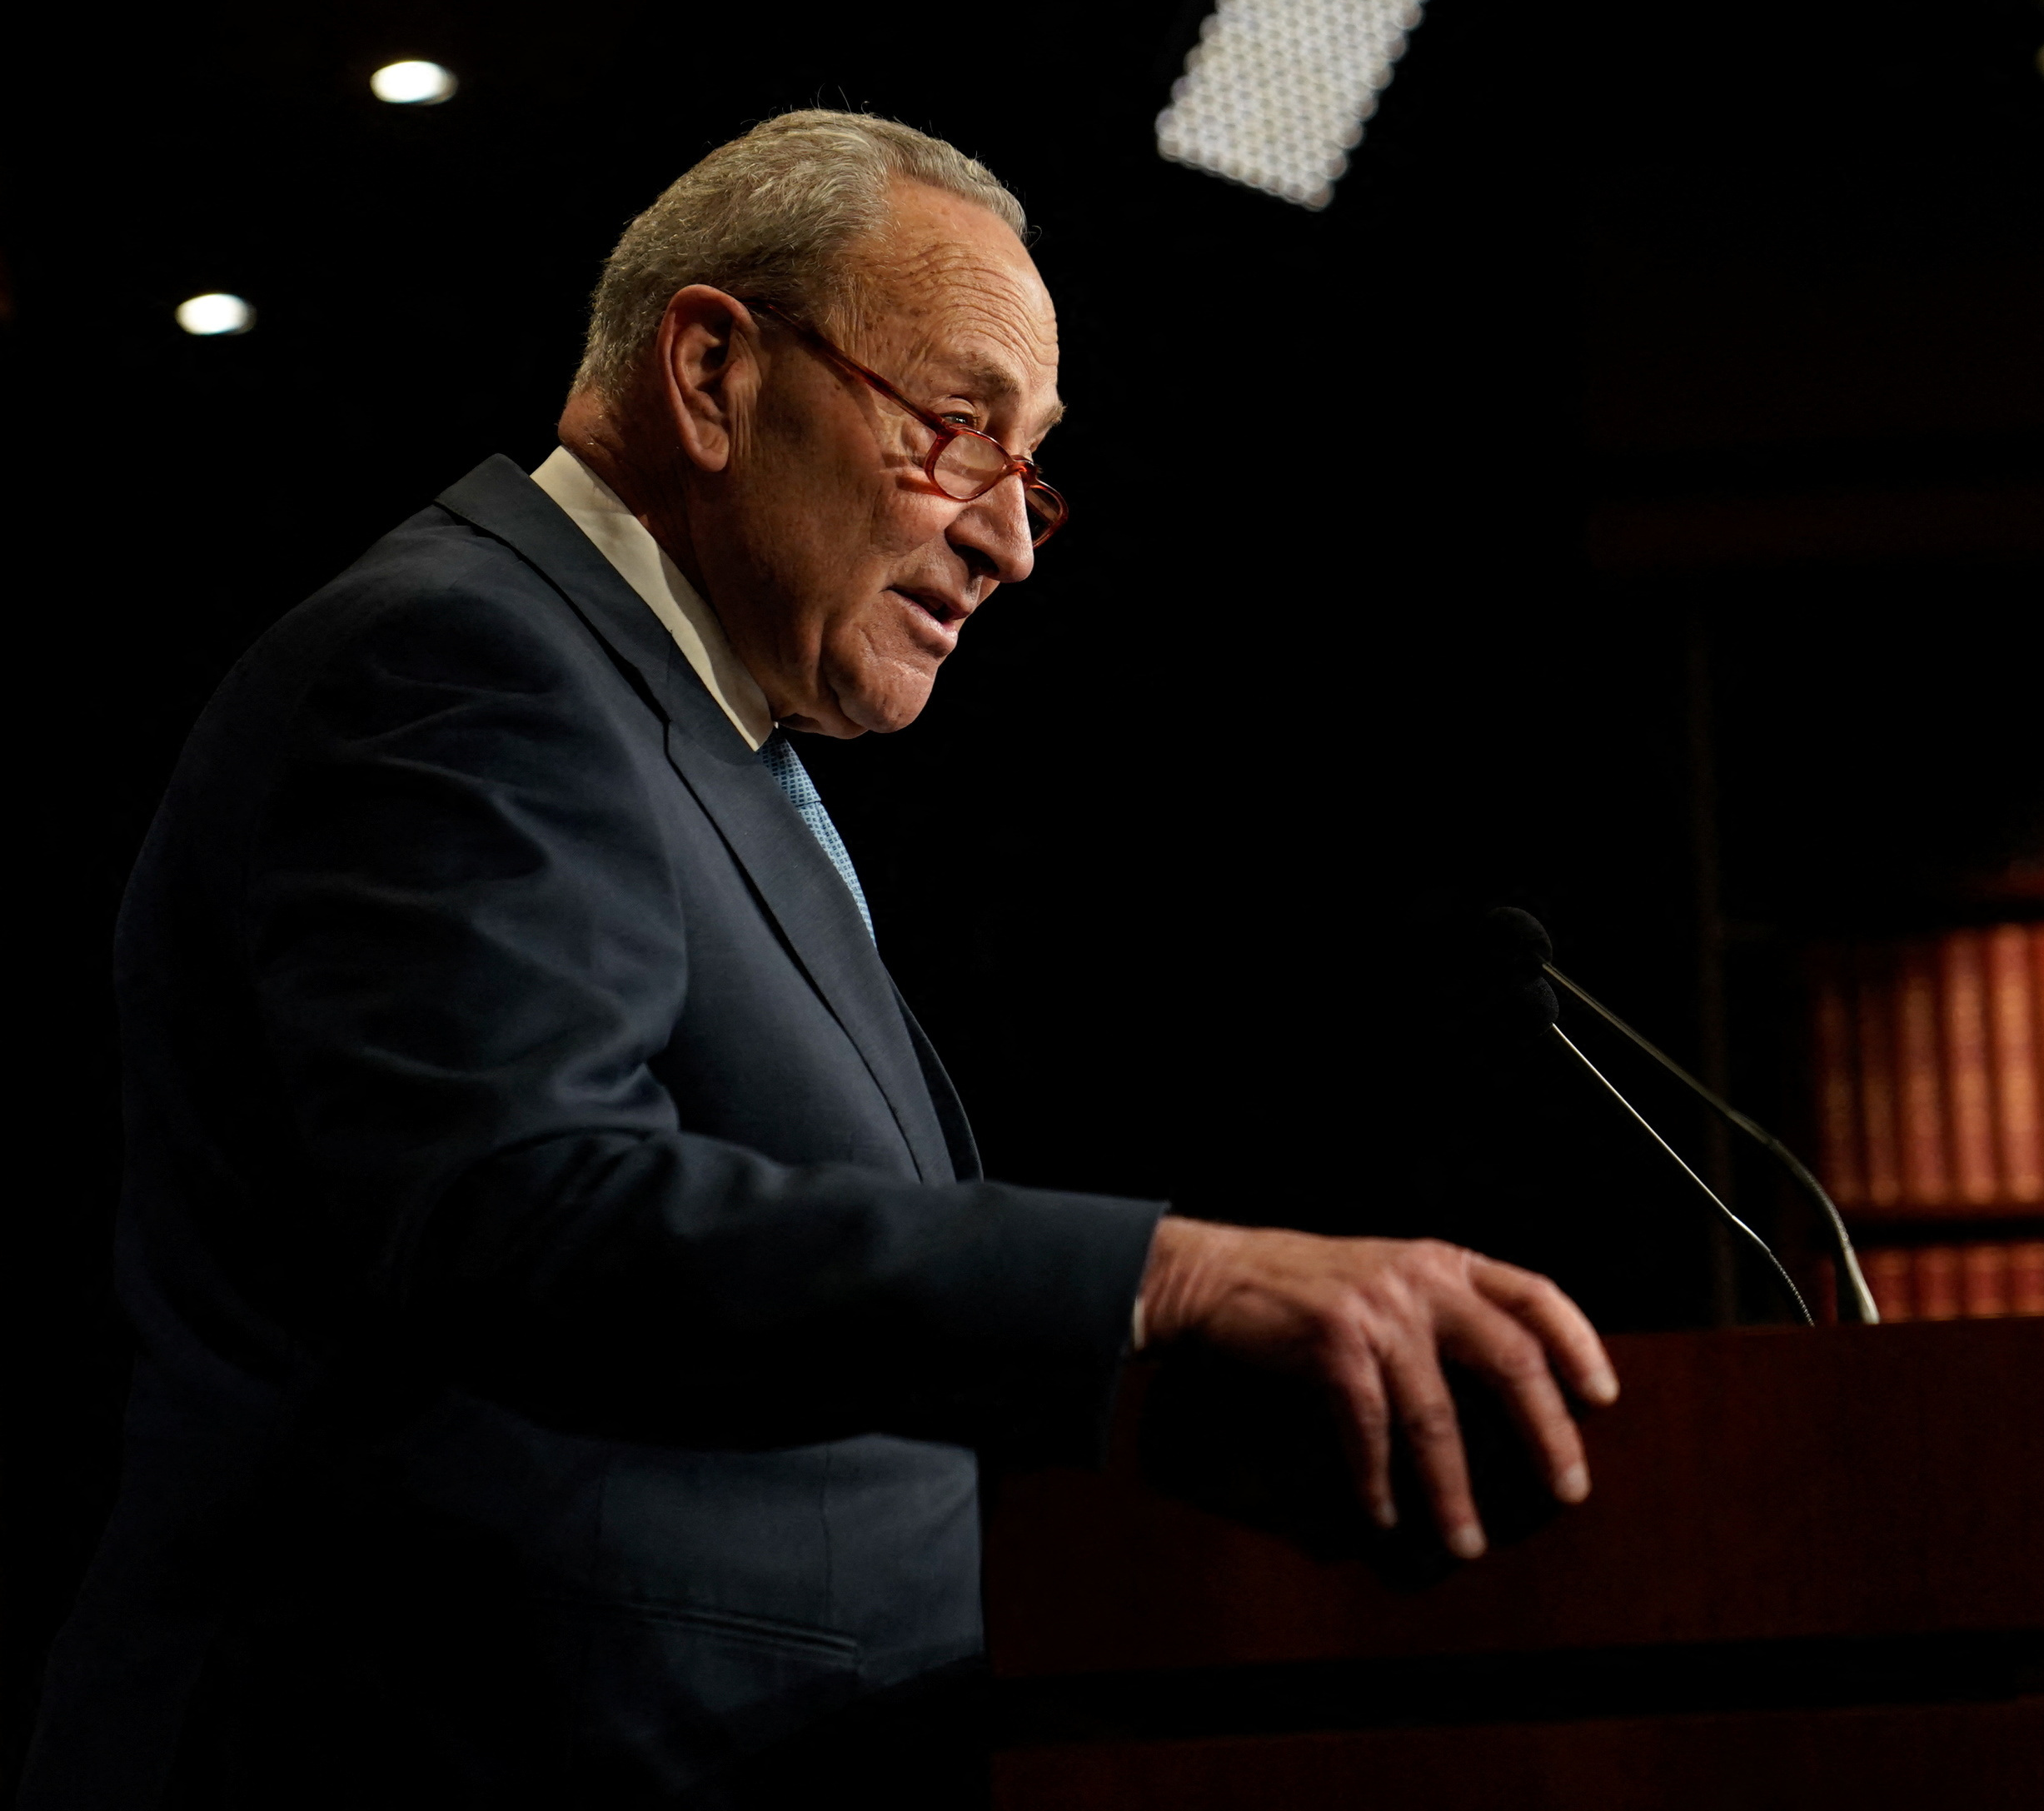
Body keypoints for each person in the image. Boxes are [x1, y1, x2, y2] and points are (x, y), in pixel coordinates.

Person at [23, 111, 1618, 1808]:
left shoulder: (690, 733)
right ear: (710, 374)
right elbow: (523, 1216)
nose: (1007, 541)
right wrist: (1166, 1282)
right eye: (955, 432)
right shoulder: (459, 665)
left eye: (1032, 468)